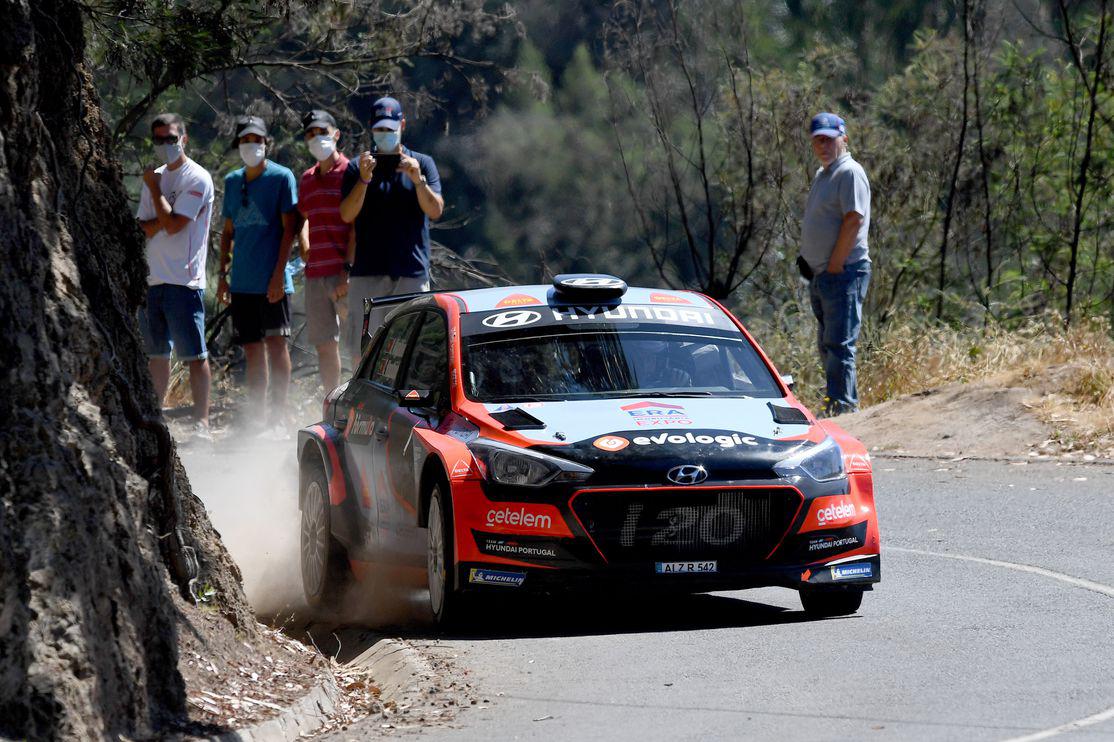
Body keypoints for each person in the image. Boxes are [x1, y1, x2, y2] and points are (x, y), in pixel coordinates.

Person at [339, 96, 444, 367]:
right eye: (379, 129)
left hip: (410, 272)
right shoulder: (357, 167)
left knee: (412, 350)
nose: (385, 134)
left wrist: (418, 181)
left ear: (402, 125)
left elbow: (435, 210)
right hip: (368, 273)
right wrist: (363, 179)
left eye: (390, 128)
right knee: (363, 351)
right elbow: (347, 214)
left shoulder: (422, 163)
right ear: (371, 129)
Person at [216, 115, 299, 429]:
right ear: (238, 144)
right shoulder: (232, 181)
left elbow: (290, 229)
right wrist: (222, 275)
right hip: (242, 282)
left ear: (267, 143)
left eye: (258, 140)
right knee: (252, 349)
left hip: (273, 281)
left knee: (277, 345)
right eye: (246, 140)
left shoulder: (282, 178)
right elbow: (227, 231)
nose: (252, 146)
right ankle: (257, 419)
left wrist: (278, 275)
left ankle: (278, 417)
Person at [136, 112, 215, 440]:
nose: (165, 145)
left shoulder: (196, 178)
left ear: (184, 138)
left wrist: (157, 195)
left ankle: (202, 423)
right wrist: (161, 213)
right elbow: (145, 225)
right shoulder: (154, 177)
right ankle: (156, 417)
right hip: (154, 279)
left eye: (171, 138)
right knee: (157, 355)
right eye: (159, 139)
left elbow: (173, 225)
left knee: (194, 355)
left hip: (185, 281)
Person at [799, 112, 872, 416]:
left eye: (829, 139)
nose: (824, 145)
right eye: (818, 140)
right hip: (823, 275)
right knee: (829, 346)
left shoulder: (849, 172)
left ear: (844, 138)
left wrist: (834, 266)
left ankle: (843, 409)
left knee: (839, 346)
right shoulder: (824, 174)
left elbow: (854, 219)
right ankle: (835, 404)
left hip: (843, 273)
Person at [297, 109, 351, 392]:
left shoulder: (351, 172)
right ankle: (332, 404)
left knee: (358, 344)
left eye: (322, 132)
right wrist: (303, 241)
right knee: (325, 346)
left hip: (344, 274)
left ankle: (360, 407)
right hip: (315, 273)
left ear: (336, 134)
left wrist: (347, 271)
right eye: (311, 134)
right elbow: (303, 216)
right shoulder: (307, 178)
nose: (317, 139)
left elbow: (357, 226)